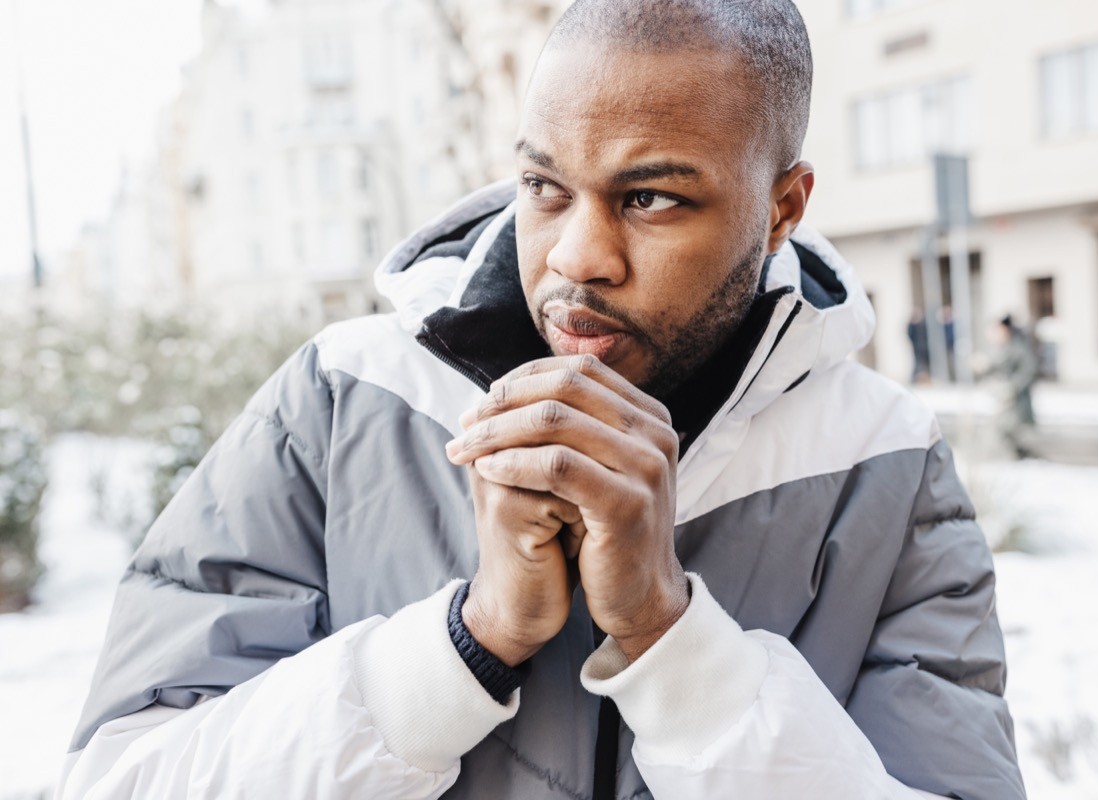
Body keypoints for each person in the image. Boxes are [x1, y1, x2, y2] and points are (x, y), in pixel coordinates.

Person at [58, 2, 1024, 798]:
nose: (574, 258)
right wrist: (462, 647)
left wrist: (672, 647)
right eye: (543, 185)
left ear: (782, 206)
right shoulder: (339, 401)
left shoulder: (885, 462)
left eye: (651, 198)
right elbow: (120, 778)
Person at [981, 315, 1038, 458]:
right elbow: (995, 367)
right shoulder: (1001, 348)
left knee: (1003, 430)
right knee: (1004, 432)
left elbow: (1028, 370)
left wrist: (1012, 386)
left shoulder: (1018, 348)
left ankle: (1019, 457)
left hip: (1016, 400)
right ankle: (1020, 456)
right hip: (1003, 399)